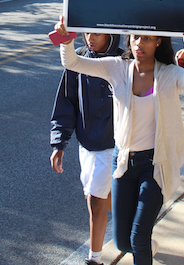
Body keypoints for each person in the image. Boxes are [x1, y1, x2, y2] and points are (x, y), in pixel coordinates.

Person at [54, 17, 184, 265]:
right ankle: (146, 247)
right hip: (123, 163)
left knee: (137, 237)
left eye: (147, 38)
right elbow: (72, 62)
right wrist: (66, 39)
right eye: (136, 37)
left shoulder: (168, 74)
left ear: (158, 41)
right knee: (123, 242)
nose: (140, 43)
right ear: (129, 39)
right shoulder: (117, 67)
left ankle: (143, 248)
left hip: (154, 165)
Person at [50, 32, 122, 265]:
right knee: (103, 197)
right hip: (87, 144)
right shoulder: (78, 59)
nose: (90, 37)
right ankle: (137, 230)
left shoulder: (123, 61)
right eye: (87, 32)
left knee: (95, 199)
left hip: (113, 145)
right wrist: (59, 142)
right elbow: (67, 101)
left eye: (97, 33)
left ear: (109, 33)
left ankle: (95, 259)